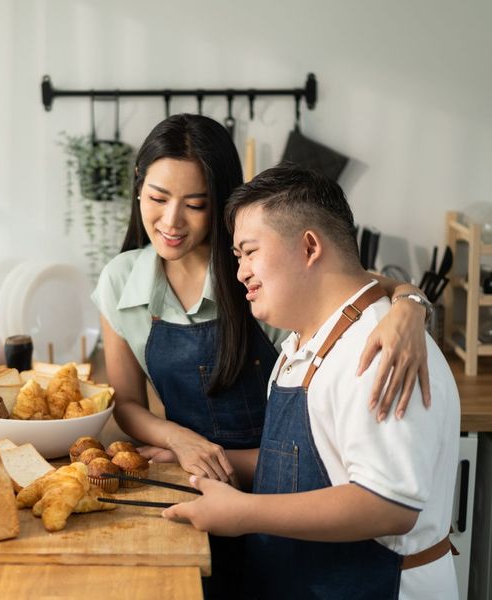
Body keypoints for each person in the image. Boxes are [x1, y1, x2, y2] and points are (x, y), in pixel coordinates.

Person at [92, 114, 433, 600]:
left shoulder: (257, 271)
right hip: (194, 479)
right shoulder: (119, 281)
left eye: (195, 204)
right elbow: (126, 403)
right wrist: (183, 443)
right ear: (138, 190)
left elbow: (353, 283)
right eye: (157, 198)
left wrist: (411, 304)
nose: (171, 222)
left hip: (290, 488)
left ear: (221, 204)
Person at [163, 164, 460, 600]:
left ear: (309, 246)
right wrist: (198, 455)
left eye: (249, 252)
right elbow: (304, 466)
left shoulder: (379, 349)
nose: (240, 272)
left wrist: (245, 512)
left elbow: (389, 506)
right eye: (237, 257)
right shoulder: (309, 340)